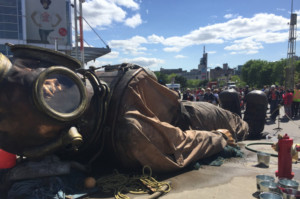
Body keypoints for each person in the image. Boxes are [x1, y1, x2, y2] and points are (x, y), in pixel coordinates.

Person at [0, 44, 249, 174]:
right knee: (235, 125)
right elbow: (181, 145)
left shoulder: (18, 75)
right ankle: (243, 121)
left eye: (53, 82)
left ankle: (245, 120)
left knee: (236, 122)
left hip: (180, 111)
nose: (51, 86)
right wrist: (218, 138)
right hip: (175, 121)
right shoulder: (130, 134)